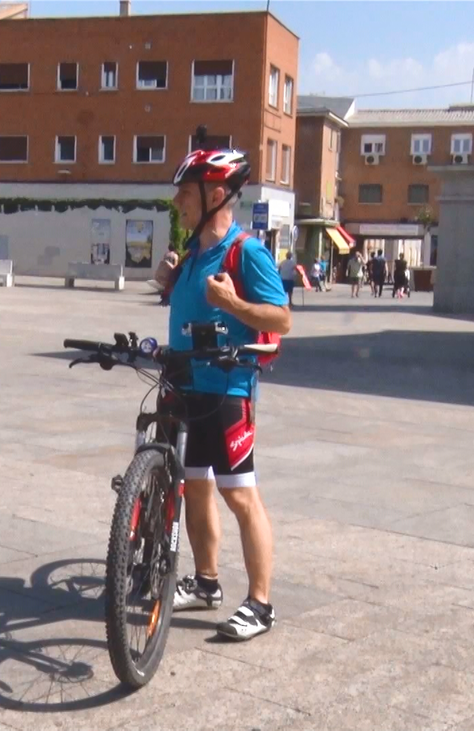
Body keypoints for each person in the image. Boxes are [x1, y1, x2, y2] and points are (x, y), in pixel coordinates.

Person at [161, 145, 291, 641]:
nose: (178, 202)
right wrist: (166, 284)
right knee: (195, 485)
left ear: (215, 196)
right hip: (184, 383)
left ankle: (260, 604)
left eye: (185, 193)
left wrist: (235, 302)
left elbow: (282, 319)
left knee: (239, 495)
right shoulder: (194, 251)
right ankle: (207, 582)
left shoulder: (247, 251)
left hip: (226, 390)